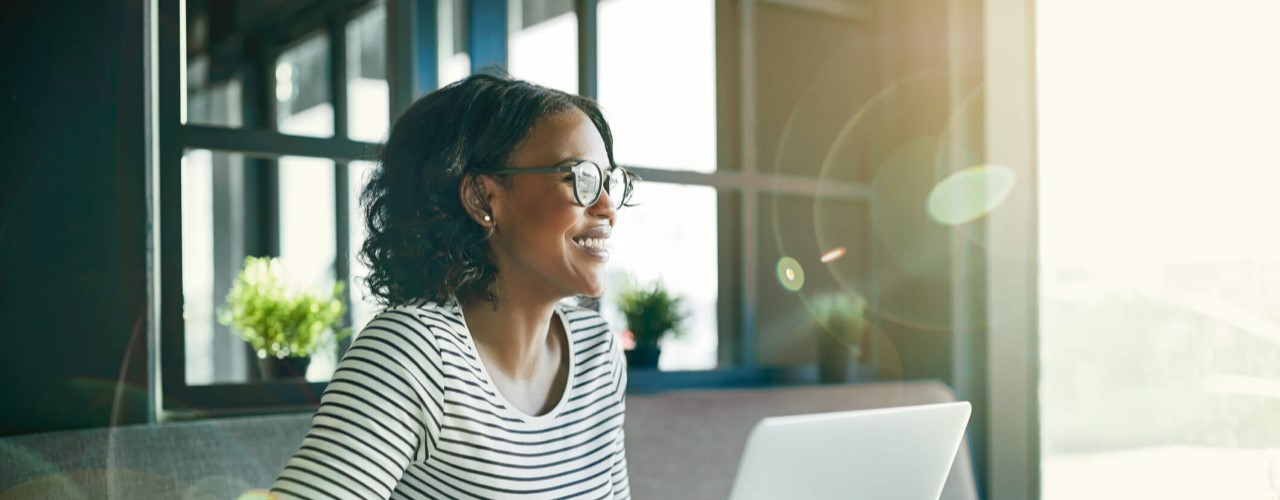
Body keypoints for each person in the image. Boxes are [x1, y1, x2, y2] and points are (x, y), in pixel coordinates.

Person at [270, 73, 635, 499]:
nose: (608, 207)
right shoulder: (412, 353)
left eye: (609, 181)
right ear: (483, 198)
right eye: (580, 178)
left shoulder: (597, 353)